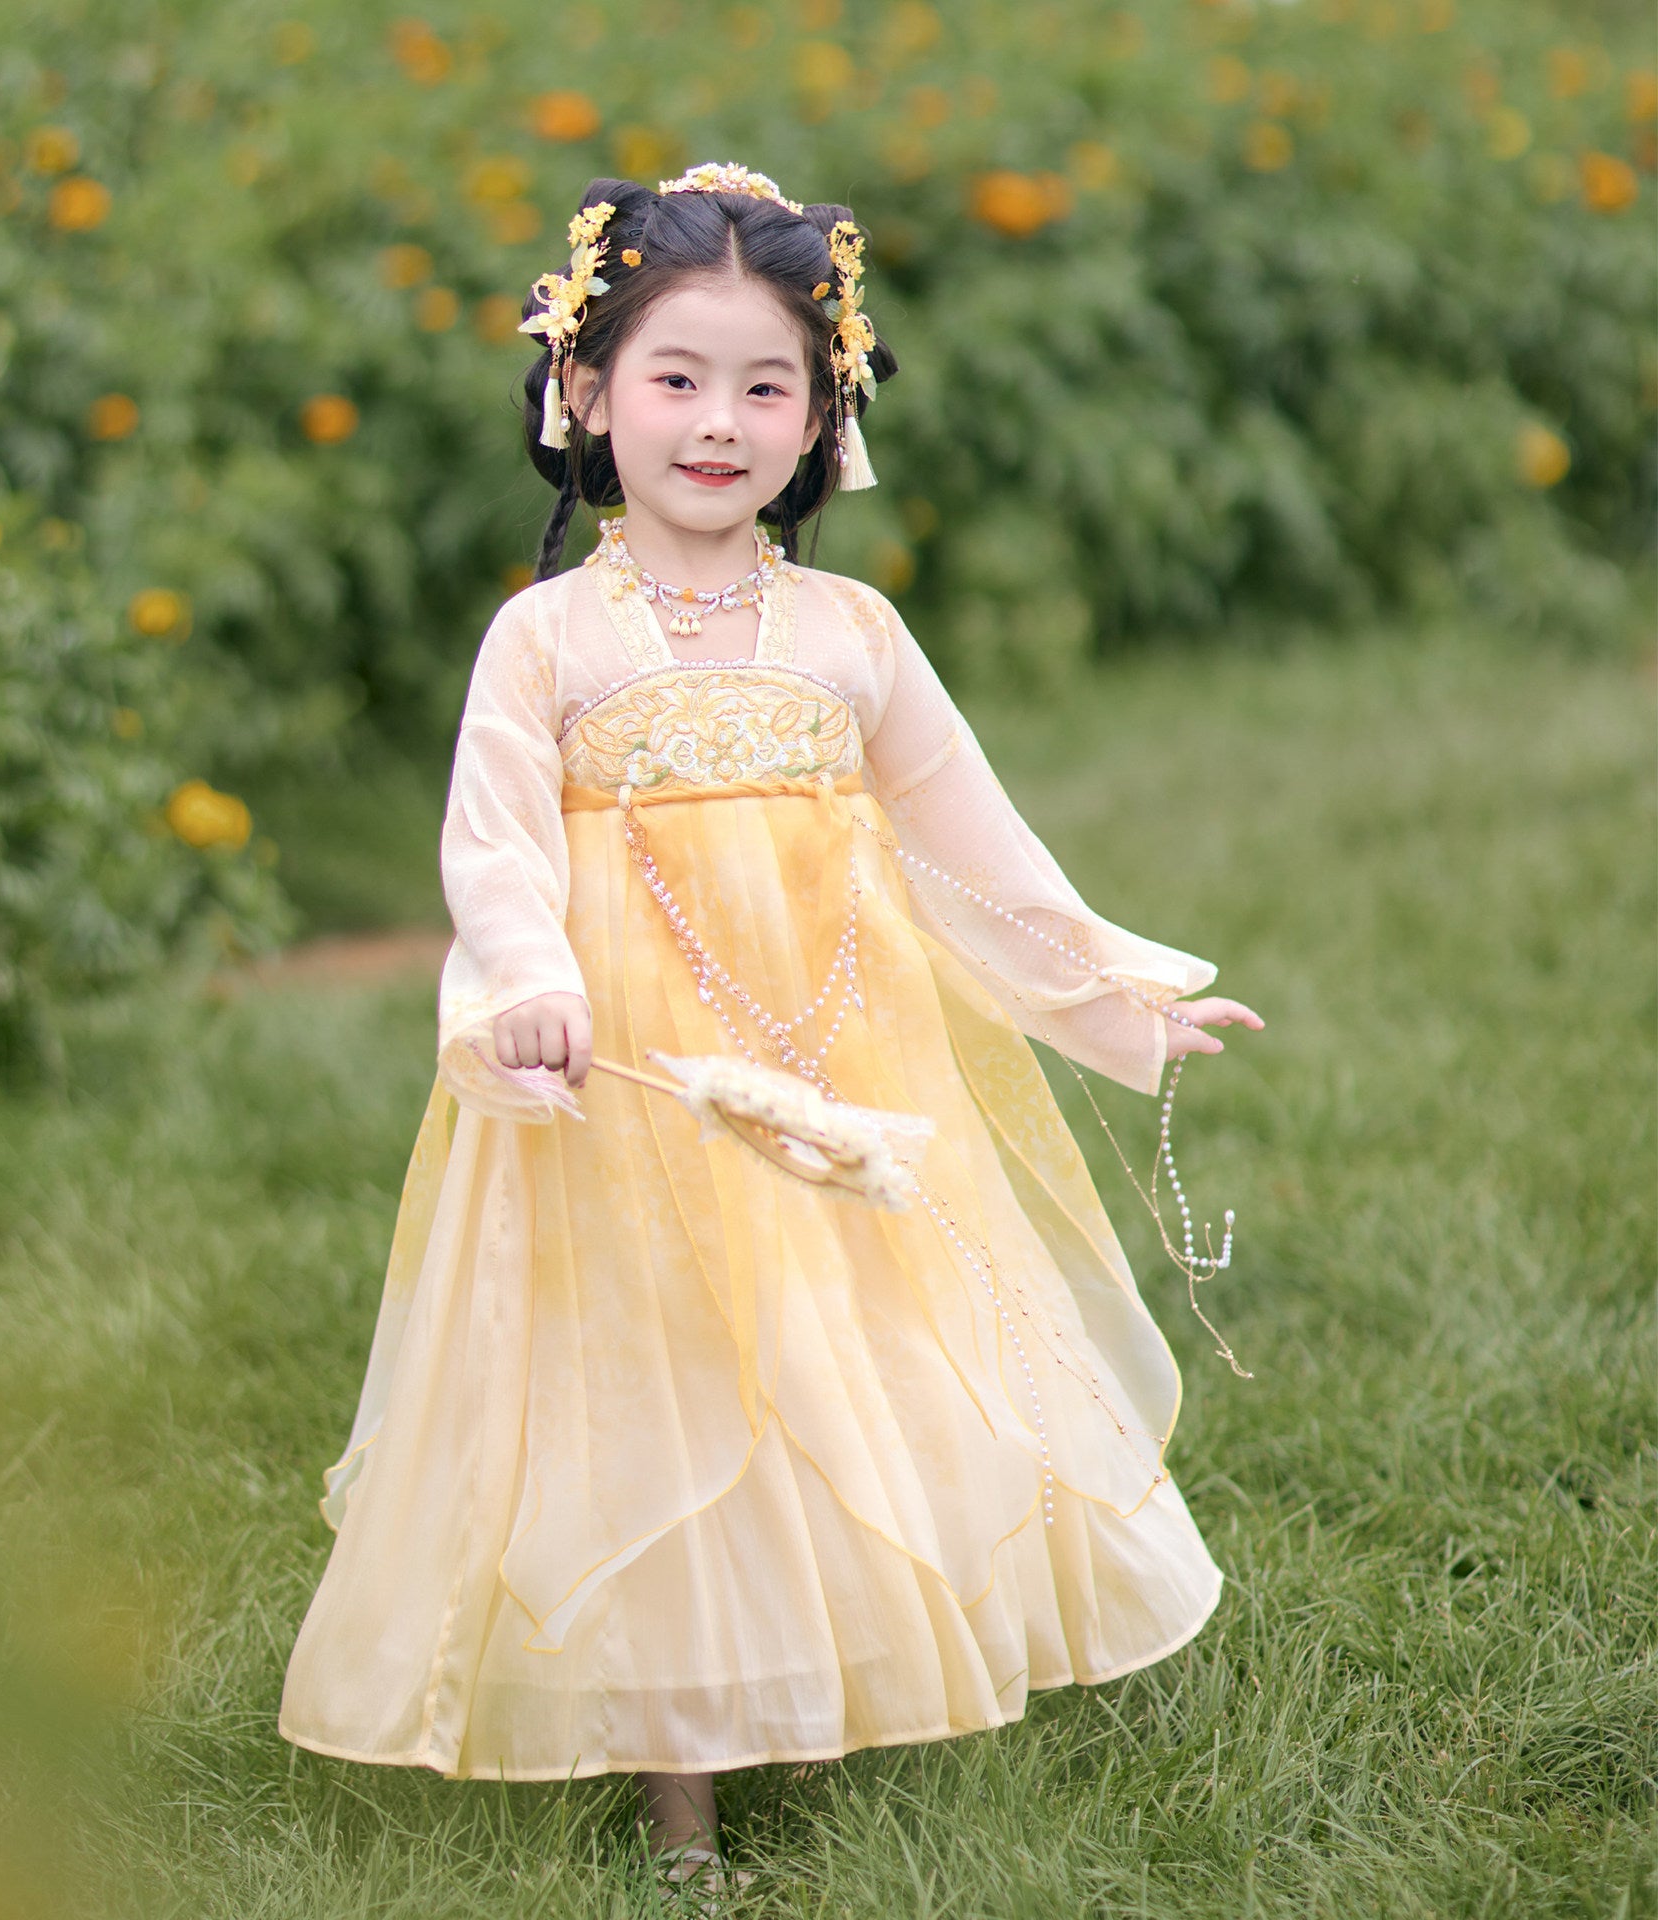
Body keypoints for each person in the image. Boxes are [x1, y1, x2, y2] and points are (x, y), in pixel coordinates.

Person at [278, 163, 1265, 1898]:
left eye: (767, 387)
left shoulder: (852, 637)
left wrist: (1115, 993)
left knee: (844, 1358)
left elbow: (975, 847)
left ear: (822, 415)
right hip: (637, 1079)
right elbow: (493, 849)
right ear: (586, 393)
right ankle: (681, 1793)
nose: (719, 424)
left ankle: (827, 1661)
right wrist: (527, 993)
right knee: (663, 1382)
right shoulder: (548, 643)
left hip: (840, 1058)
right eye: (677, 379)